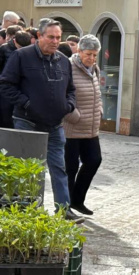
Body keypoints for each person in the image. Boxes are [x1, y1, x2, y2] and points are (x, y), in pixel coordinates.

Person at [0, 18, 79, 220]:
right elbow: (6, 85)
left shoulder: (63, 61)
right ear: (39, 37)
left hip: (55, 125)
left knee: (59, 168)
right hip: (27, 122)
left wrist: (68, 106)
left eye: (58, 37)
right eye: (50, 37)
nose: (55, 41)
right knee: (29, 170)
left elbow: (71, 90)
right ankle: (27, 210)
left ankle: (64, 210)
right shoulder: (21, 56)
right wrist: (26, 103)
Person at [63, 34, 102, 216]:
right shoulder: (67, 67)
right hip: (71, 128)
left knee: (94, 160)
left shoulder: (94, 68)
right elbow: (61, 96)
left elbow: (98, 93)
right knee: (70, 169)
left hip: (91, 128)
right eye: (88, 54)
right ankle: (65, 206)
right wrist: (74, 116)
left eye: (95, 55)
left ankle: (77, 200)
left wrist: (99, 110)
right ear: (79, 51)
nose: (92, 58)